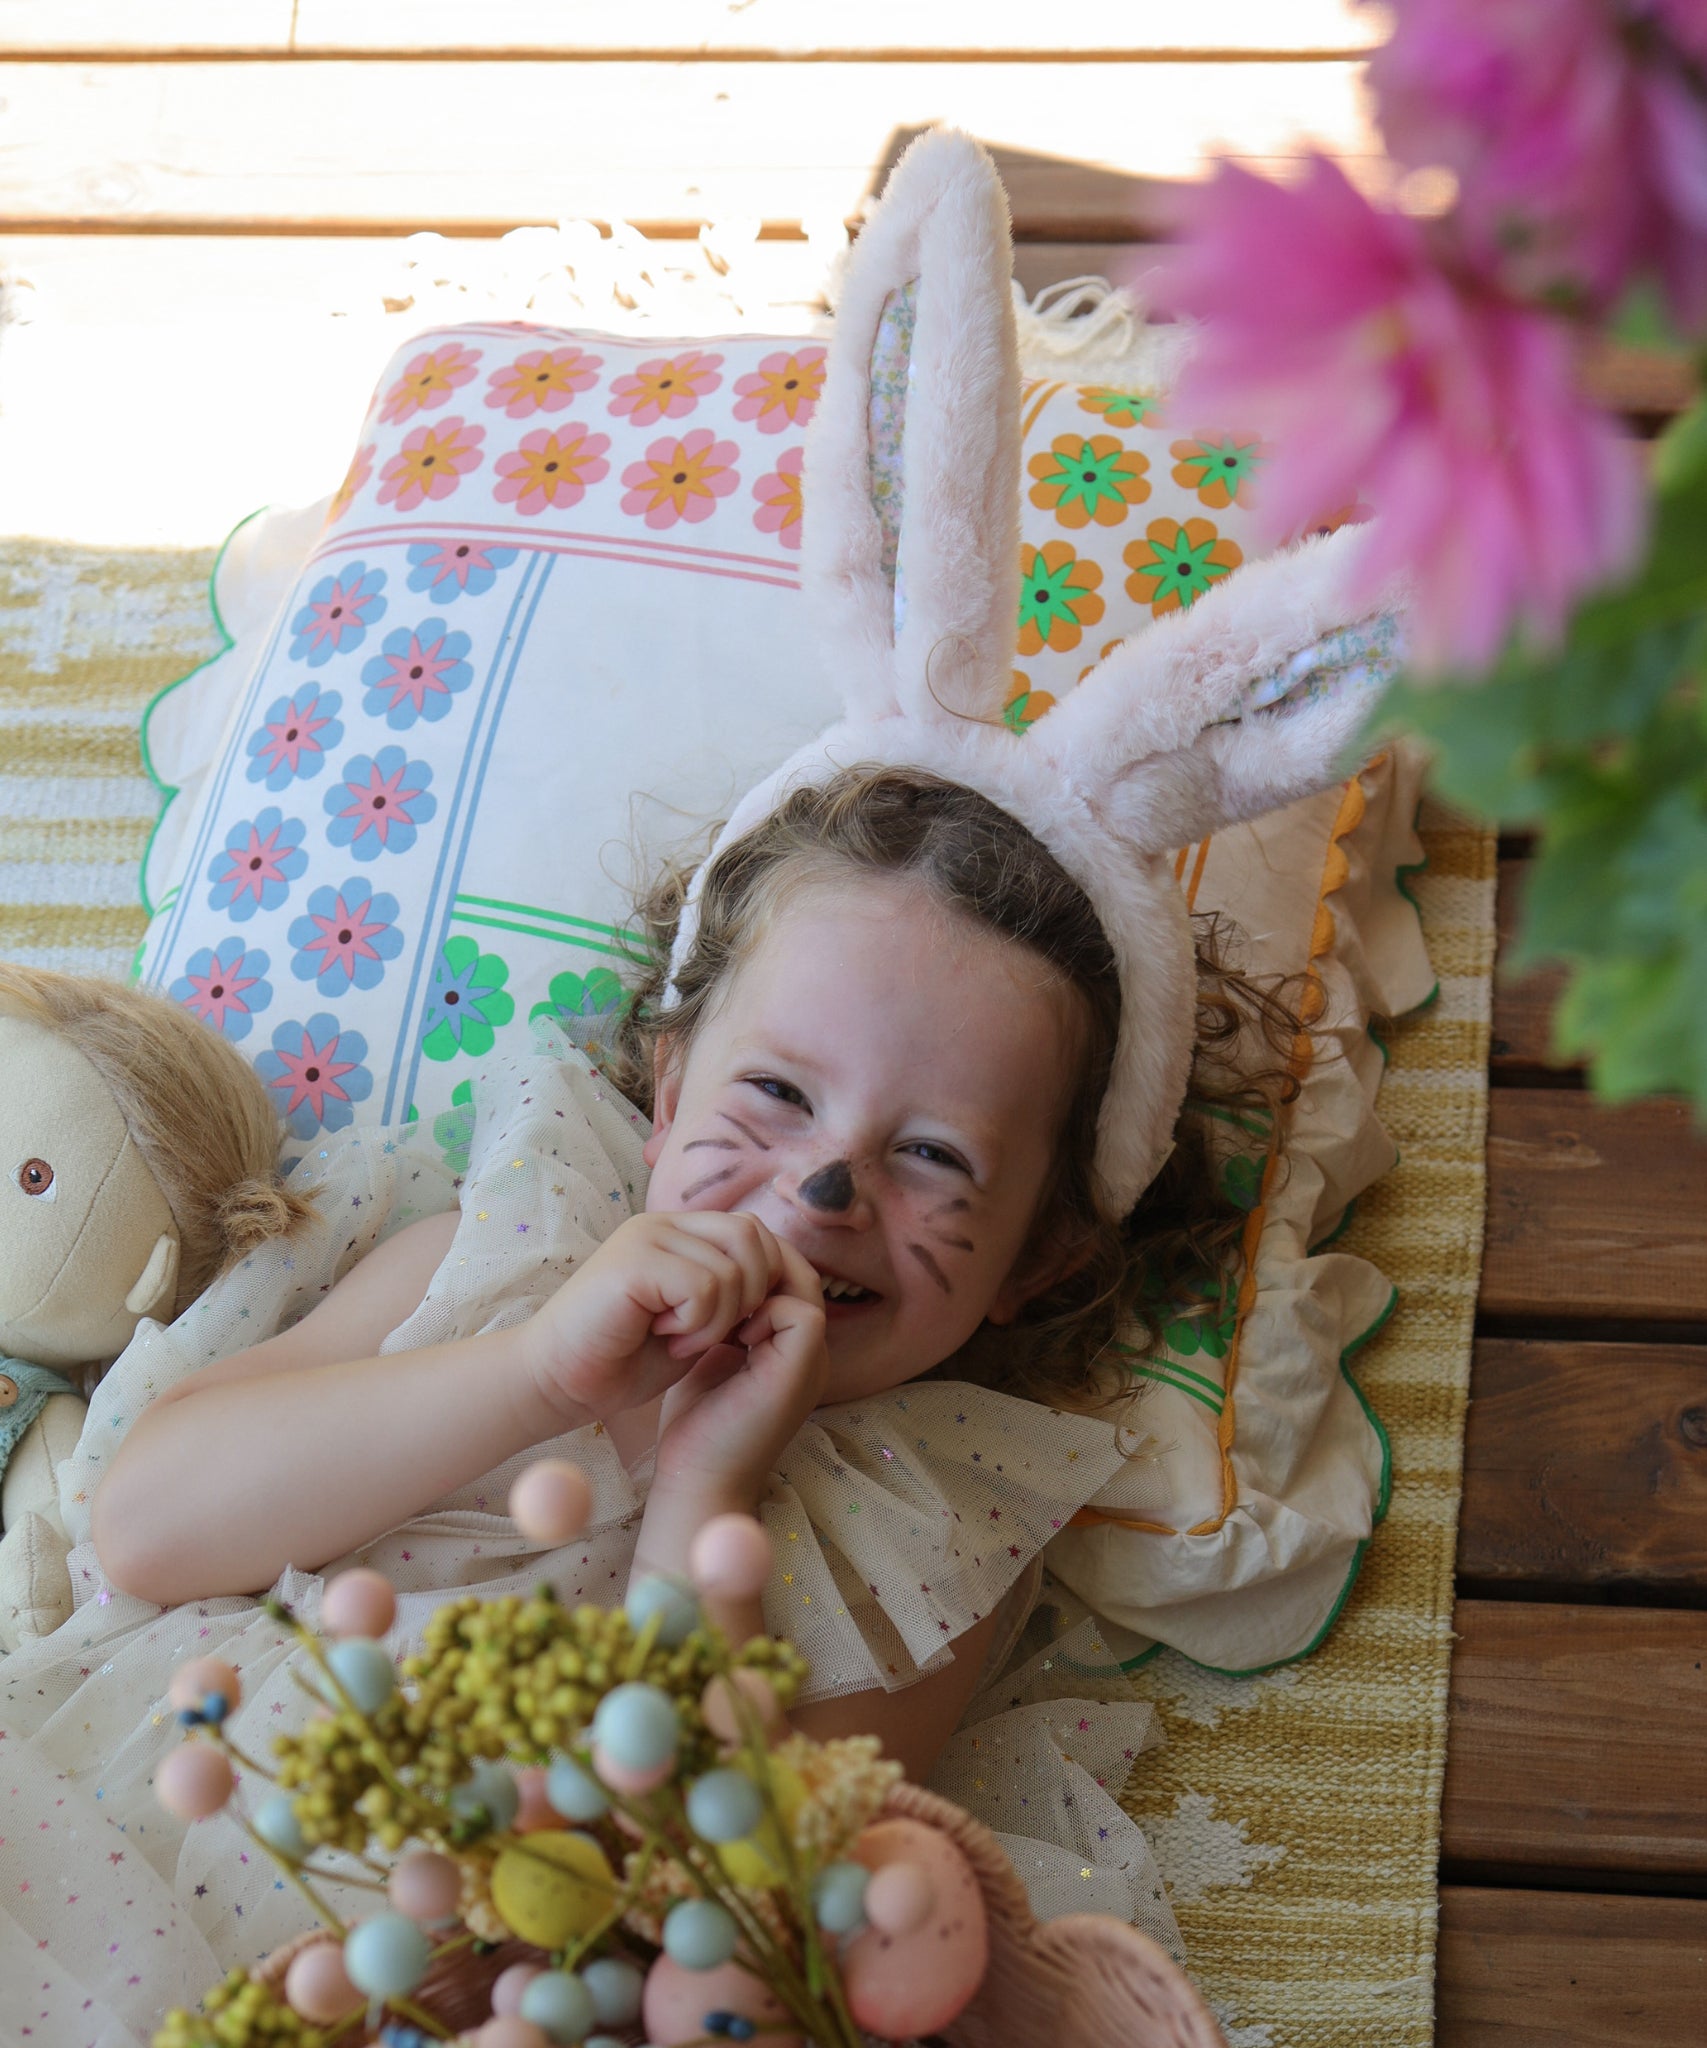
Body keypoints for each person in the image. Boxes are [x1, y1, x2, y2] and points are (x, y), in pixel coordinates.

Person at [88, 764, 1295, 1783]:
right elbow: (144, 1529)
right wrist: (532, 1373)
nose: (824, 1190)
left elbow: (729, 1902)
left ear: (1039, 1256)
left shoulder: (943, 1530)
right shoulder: (496, 1262)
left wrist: (705, 1498)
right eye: (776, 1092)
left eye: (932, 1154)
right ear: (667, 1100)